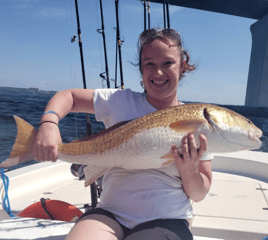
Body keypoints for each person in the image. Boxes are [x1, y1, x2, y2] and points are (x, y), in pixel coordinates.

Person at [34, 28, 213, 240]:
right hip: (109, 214)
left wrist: (189, 169)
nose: (158, 72)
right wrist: (49, 123)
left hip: (167, 218)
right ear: (141, 69)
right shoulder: (120, 101)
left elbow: (199, 194)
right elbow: (69, 96)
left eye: (167, 63)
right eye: (150, 64)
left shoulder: (196, 121)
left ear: (182, 65)